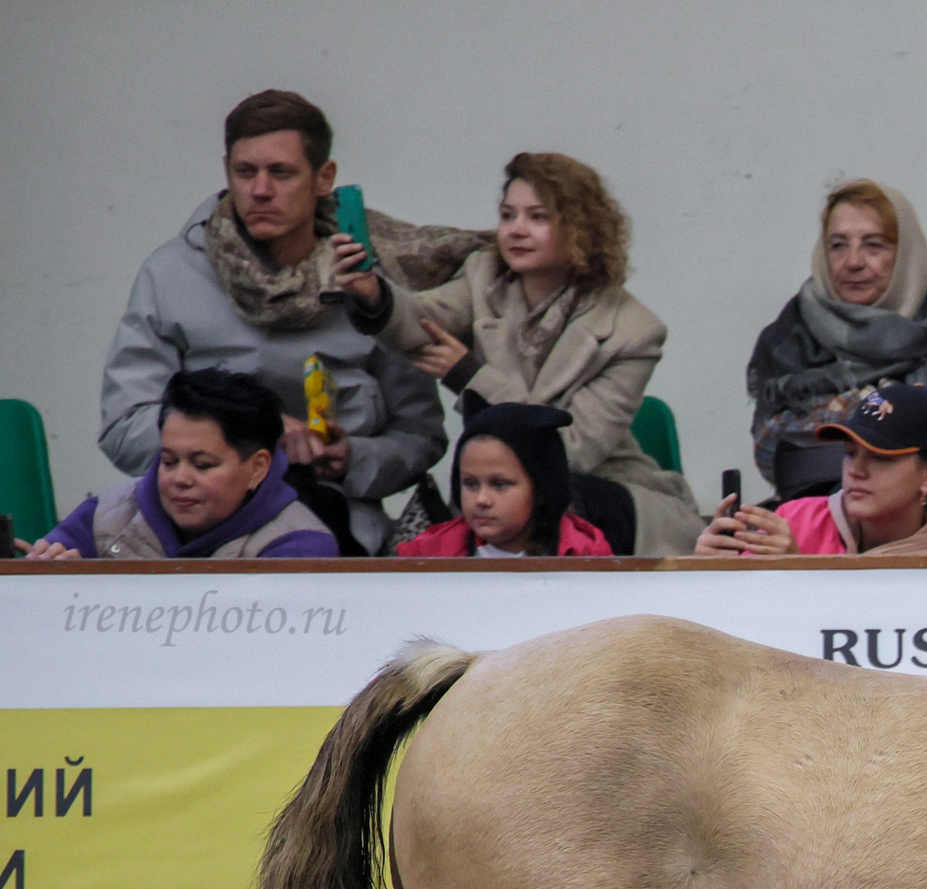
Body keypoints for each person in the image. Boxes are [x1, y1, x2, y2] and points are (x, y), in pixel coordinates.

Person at [98, 89, 474, 554]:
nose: (260, 190)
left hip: (340, 530)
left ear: (324, 178)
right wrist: (241, 436)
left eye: (281, 173)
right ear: (226, 173)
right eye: (245, 172)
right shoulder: (173, 274)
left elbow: (420, 436)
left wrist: (351, 458)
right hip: (196, 540)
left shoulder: (367, 280)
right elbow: (123, 425)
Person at [338, 152, 700, 557]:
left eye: (537, 218)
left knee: (550, 497)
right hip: (509, 489)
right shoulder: (483, 275)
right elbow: (424, 321)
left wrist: (470, 376)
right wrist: (372, 294)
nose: (516, 230)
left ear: (582, 229)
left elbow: (569, 451)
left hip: (606, 492)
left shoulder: (633, 330)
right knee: (496, 500)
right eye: (508, 215)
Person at [746, 179, 927, 486]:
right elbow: (772, 454)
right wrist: (893, 417)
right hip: (821, 521)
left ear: (906, 253)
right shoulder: (790, 339)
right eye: (838, 245)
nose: (853, 262)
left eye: (874, 245)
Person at [28, 369, 334, 560]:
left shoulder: (300, 545)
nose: (180, 479)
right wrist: (50, 580)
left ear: (257, 468)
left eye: (202, 465)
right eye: (169, 461)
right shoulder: (102, 518)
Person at [694, 382, 927, 558]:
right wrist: (709, 576)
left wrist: (798, 576)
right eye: (850, 454)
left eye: (881, 458)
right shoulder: (794, 520)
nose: (856, 471)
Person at [397, 402, 612, 558]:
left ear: (541, 490)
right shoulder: (428, 557)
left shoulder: (585, 557)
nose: (482, 500)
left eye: (499, 485)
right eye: (470, 484)